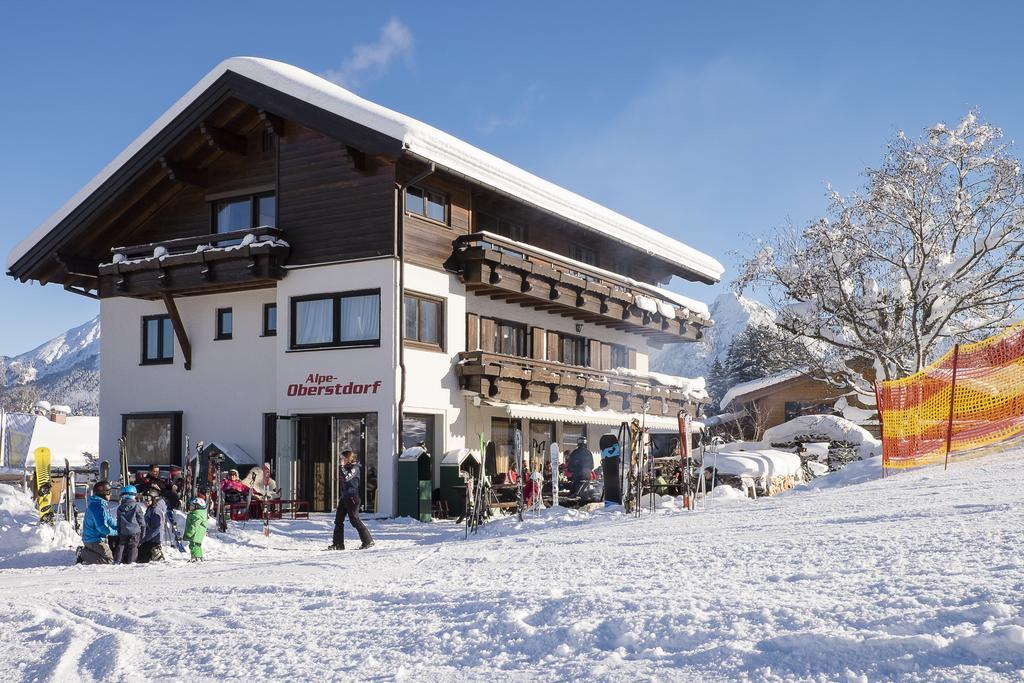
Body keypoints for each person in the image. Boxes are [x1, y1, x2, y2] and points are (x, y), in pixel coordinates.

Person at [327, 450, 374, 550]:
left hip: (353, 498)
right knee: (338, 520)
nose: (341, 461)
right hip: (344, 497)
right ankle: (338, 544)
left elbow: (346, 478)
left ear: (348, 459)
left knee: (354, 519)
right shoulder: (345, 468)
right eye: (340, 459)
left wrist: (341, 468)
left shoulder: (355, 468)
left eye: (343, 459)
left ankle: (368, 541)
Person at [78, 480, 118, 565]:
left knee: (109, 556)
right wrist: (115, 532)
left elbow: (109, 519)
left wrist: (119, 527)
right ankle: (83, 554)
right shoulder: (98, 507)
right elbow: (102, 528)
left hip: (95, 538)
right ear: (103, 494)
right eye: (109, 492)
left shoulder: (100, 504)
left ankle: (88, 552)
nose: (111, 495)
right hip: (93, 540)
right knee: (109, 560)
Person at [114, 485, 147, 565]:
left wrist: (119, 531)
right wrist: (143, 533)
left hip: (124, 531)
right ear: (133, 495)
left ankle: (117, 561)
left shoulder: (119, 508)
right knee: (133, 547)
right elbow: (141, 521)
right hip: (135, 531)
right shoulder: (136, 506)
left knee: (121, 545)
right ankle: (132, 562)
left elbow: (118, 521)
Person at [137, 489, 167, 563]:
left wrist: (144, 538)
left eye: (148, 498)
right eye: (144, 498)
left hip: (154, 540)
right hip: (149, 539)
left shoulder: (156, 510)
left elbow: (156, 529)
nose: (145, 501)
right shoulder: (150, 509)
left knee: (141, 554)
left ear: (154, 499)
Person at [183, 497, 208, 562]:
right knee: (197, 545)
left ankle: (196, 557)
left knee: (193, 545)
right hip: (198, 533)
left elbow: (194, 525)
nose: (190, 507)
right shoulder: (198, 513)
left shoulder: (196, 515)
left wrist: (189, 533)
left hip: (195, 533)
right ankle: (198, 557)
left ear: (197, 506)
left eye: (192, 506)